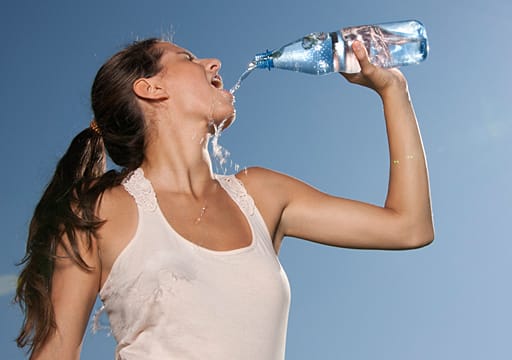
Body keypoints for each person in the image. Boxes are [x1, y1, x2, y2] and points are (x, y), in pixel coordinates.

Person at [14, 37, 434, 359]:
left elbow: (408, 226)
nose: (212, 63)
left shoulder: (263, 196)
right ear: (151, 88)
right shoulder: (100, 210)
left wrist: (393, 90)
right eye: (188, 58)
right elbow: (55, 352)